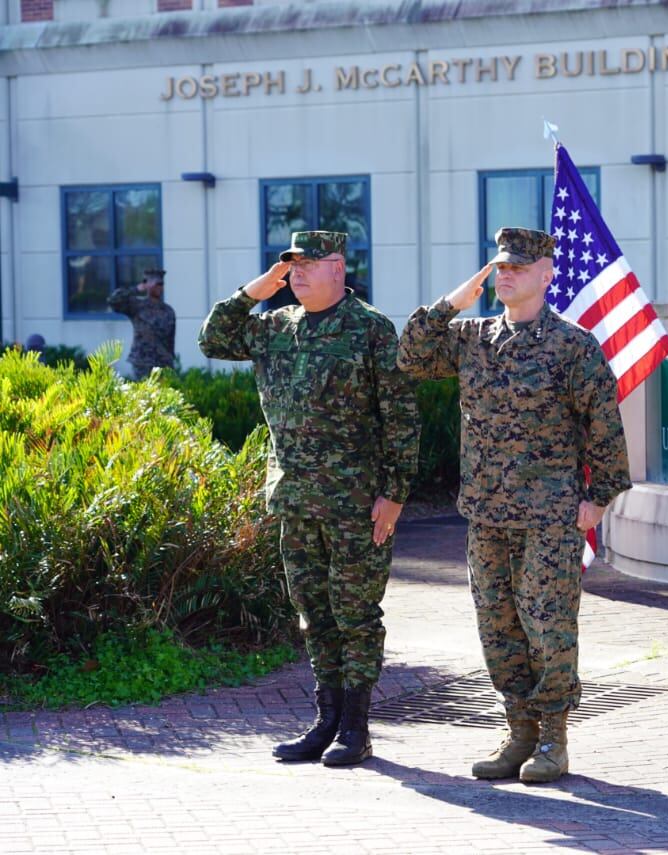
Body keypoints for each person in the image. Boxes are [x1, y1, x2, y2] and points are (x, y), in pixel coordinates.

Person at [396, 227, 631, 784]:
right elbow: (409, 357)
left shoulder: (572, 346)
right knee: (498, 628)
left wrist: (598, 499)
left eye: (518, 267)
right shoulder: (472, 337)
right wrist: (452, 303)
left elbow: (604, 425)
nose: (506, 274)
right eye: (500, 266)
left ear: (546, 275)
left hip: (549, 516)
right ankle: (519, 732)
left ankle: (553, 739)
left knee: (548, 626)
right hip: (486, 514)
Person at [197, 231, 419, 767]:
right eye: (291, 265)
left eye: (309, 264)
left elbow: (401, 416)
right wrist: (257, 289)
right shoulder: (274, 326)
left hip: (354, 503)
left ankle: (356, 728)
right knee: (313, 615)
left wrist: (394, 494)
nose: (297, 273)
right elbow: (213, 338)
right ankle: (325, 721)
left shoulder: (370, 328)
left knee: (355, 614)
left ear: (338, 267)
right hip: (295, 499)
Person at [108, 268, 176, 377]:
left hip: (163, 363)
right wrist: (136, 289)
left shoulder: (168, 310)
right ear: (146, 284)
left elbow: (170, 341)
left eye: (161, 284)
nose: (159, 287)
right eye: (156, 284)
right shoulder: (137, 305)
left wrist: (170, 362)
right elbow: (113, 301)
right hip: (142, 362)